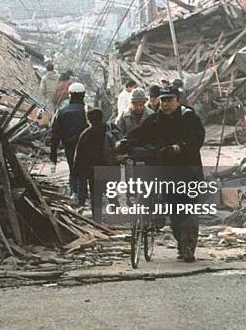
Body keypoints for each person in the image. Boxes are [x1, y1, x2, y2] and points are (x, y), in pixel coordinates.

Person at [118, 86, 205, 263]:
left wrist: (180, 147)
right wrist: (125, 142)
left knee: (186, 209)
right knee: (174, 211)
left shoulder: (189, 117)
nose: (165, 104)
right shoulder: (155, 120)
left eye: (169, 100)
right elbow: (140, 134)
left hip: (188, 171)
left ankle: (188, 247)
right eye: (163, 100)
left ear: (177, 100)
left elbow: (197, 138)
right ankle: (182, 245)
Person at [73, 108, 118, 222]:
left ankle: (96, 219)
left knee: (95, 195)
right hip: (108, 168)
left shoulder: (86, 134)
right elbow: (115, 151)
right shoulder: (109, 133)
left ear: (89, 120)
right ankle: (115, 213)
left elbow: (78, 156)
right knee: (110, 190)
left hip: (93, 170)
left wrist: (77, 172)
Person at [50, 83, 88, 199]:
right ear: (83, 95)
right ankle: (83, 193)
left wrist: (53, 153)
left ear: (70, 95)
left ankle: (74, 192)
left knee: (73, 168)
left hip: (69, 146)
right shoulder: (87, 112)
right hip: (86, 147)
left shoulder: (62, 112)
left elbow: (55, 134)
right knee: (84, 169)